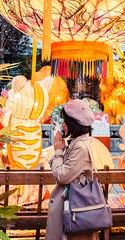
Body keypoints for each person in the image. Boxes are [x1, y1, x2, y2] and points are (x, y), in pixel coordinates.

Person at [46, 99, 98, 240]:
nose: (63, 125)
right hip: (73, 207)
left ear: (73, 123)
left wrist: (58, 151)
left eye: (65, 121)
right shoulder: (78, 143)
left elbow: (62, 176)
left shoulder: (80, 147)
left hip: (76, 210)